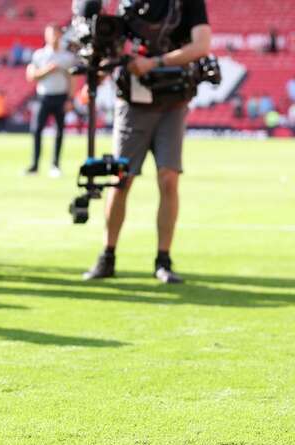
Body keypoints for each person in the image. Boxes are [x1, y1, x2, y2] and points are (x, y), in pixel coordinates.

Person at [83, 0, 212, 284]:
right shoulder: (128, 6)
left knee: (169, 179)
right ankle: (108, 255)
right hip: (133, 101)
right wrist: (96, 70)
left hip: (173, 102)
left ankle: (163, 259)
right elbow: (111, 49)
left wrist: (155, 62)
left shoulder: (187, 4)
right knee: (121, 179)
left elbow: (202, 45)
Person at [25, 23, 76, 177]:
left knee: (60, 131)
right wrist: (48, 69)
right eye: (50, 34)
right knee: (36, 130)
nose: (53, 37)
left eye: (55, 33)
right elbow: (31, 76)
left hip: (61, 97)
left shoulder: (67, 57)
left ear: (60, 35)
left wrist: (70, 99)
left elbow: (71, 79)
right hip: (44, 97)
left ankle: (55, 164)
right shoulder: (39, 55)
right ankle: (34, 165)